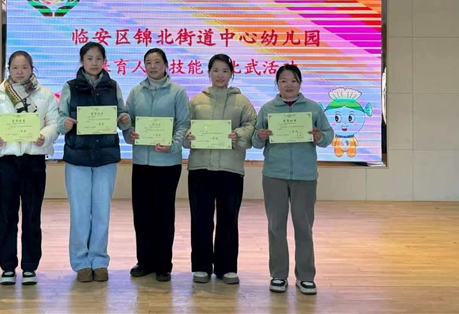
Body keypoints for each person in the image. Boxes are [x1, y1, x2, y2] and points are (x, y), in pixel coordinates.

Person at [252, 64, 334, 296]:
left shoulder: (313, 108)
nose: (289, 85)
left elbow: (328, 136)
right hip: (274, 175)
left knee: (303, 226)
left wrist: (319, 136)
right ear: (277, 84)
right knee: (276, 226)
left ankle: (306, 276)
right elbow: (255, 141)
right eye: (283, 81)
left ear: (300, 83)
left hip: (305, 176)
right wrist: (260, 136)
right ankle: (278, 275)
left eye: (293, 80)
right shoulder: (267, 109)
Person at [0, 51, 59, 286]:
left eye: (24, 67)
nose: (19, 72)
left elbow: (54, 123)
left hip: (33, 162)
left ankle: (29, 266)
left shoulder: (45, 95)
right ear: (9, 69)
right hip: (6, 163)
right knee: (6, 216)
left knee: (32, 216)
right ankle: (7, 266)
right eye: (15, 67)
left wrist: (44, 136)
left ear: (32, 69)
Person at [58, 42, 130, 283]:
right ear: (81, 61)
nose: (94, 62)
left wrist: (124, 119)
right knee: (79, 212)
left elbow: (122, 115)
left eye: (98, 58)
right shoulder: (70, 87)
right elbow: (60, 118)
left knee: (101, 211)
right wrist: (64, 124)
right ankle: (80, 262)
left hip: (106, 157)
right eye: (89, 58)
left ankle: (99, 260)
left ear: (104, 61)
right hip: (77, 157)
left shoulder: (113, 86)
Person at [184, 54, 256, 285]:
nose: (220, 75)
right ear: (208, 73)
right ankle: (201, 266)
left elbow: (252, 126)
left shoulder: (242, 102)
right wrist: (188, 136)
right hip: (200, 168)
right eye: (215, 70)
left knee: (228, 219)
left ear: (231, 73)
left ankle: (226, 267)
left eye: (225, 70)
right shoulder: (196, 101)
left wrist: (239, 135)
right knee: (201, 219)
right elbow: (183, 128)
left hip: (230, 169)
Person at [125, 48, 190, 282]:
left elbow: (183, 124)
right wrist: (129, 133)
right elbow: (128, 122)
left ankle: (163, 264)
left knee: (163, 213)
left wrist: (173, 145)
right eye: (149, 62)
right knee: (142, 214)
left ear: (166, 65)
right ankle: (144, 261)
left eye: (157, 62)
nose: (153, 66)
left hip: (167, 163)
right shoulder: (136, 92)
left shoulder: (178, 92)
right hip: (141, 162)